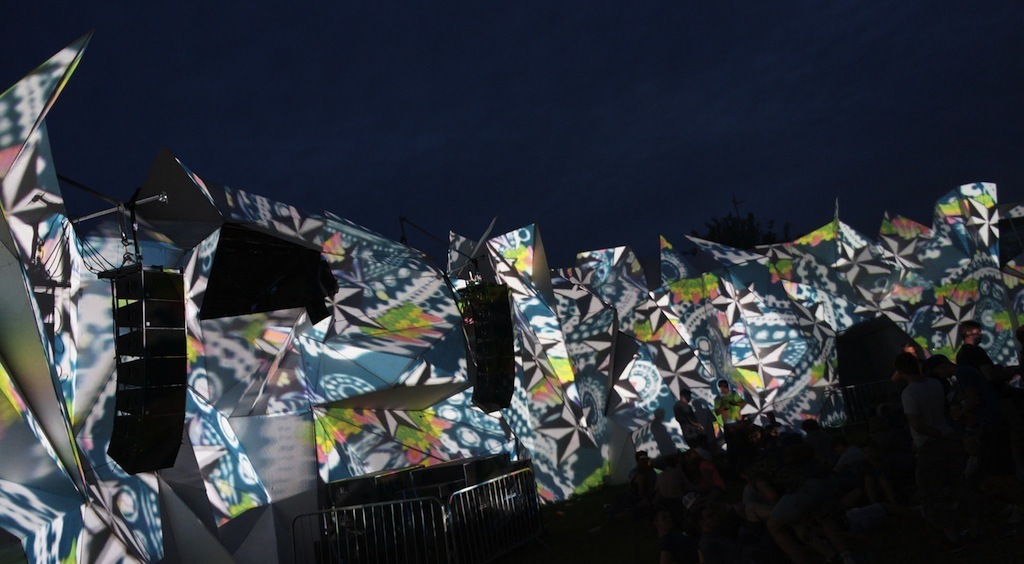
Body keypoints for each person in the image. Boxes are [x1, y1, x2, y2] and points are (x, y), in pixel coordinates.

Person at [892, 352, 971, 544]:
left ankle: (951, 534)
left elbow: (917, 424)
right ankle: (971, 524)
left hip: (930, 444)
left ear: (900, 371)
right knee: (957, 483)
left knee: (931, 491)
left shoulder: (909, 393)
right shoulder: (935, 384)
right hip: (948, 437)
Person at [714, 380, 747, 469]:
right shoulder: (718, 398)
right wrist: (723, 406)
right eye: (722, 387)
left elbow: (743, 404)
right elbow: (717, 412)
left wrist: (734, 403)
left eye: (725, 386)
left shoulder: (733, 394)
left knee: (741, 442)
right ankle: (734, 465)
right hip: (727, 424)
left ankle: (744, 461)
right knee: (731, 444)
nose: (724, 388)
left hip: (737, 422)